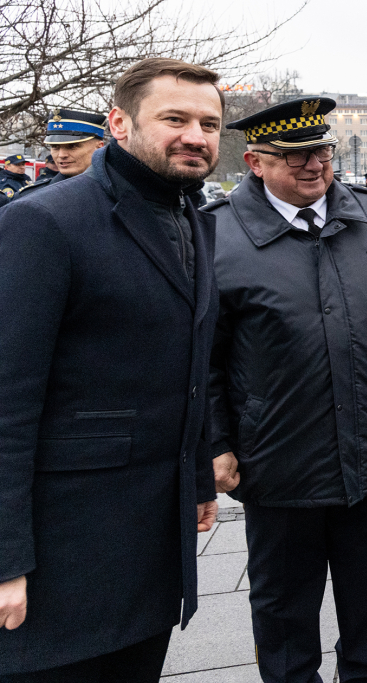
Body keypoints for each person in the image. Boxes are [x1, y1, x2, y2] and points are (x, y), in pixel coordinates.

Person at [204, 96, 367, 683]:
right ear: (256, 162)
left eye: (322, 151)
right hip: (280, 462)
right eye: (294, 156)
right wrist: (215, 441)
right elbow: (203, 360)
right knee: (286, 607)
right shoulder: (217, 238)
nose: (313, 165)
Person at [0, 57, 223, 682]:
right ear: (119, 123)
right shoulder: (44, 221)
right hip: (62, 560)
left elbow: (186, 363)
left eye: (208, 123)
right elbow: (7, 400)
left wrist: (198, 475)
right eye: (174, 118)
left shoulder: (191, 217)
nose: (195, 136)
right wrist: (5, 558)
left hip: (150, 552)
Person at [15, 109, 106, 202]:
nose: (61, 155)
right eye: (55, 147)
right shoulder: (29, 197)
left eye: (72, 146)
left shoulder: (114, 193)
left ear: (99, 147)